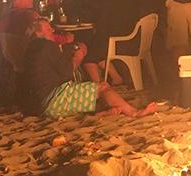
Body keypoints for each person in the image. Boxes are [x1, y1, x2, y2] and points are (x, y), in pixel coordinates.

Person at [24, 17, 157, 118]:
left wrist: (69, 48)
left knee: (87, 88)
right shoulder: (48, 46)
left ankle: (102, 113)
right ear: (39, 33)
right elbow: (66, 73)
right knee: (102, 86)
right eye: (48, 29)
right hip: (53, 101)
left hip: (39, 102)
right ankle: (135, 112)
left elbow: (53, 67)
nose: (52, 30)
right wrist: (78, 56)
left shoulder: (31, 48)